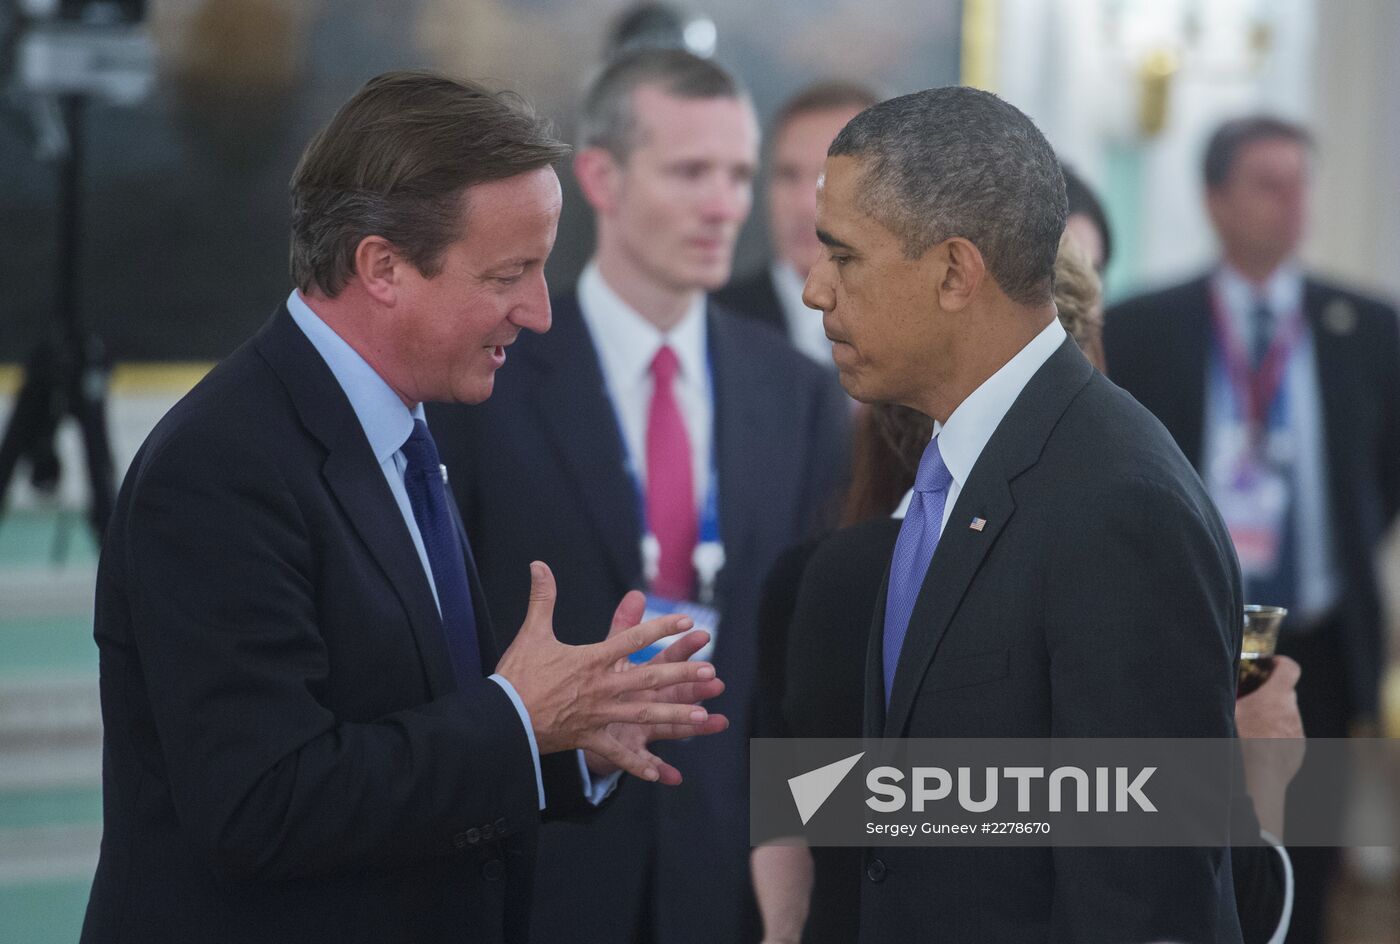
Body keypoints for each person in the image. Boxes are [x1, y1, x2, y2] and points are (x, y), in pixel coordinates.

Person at [80, 71, 732, 944]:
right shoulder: (219, 468)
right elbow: (263, 805)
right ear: (381, 266)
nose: (538, 313)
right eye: (510, 274)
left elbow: (405, 732)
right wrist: (515, 720)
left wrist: (562, 743)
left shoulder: (405, 429)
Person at [753, 234, 1300, 944]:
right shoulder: (1116, 539)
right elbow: (1190, 898)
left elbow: (791, 844)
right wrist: (1257, 777)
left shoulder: (813, 579)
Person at [799, 86, 1244, 943]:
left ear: (956, 273)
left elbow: (1144, 900)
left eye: (844, 256)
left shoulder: (1121, 509)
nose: (816, 289)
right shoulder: (967, 468)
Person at [428, 49, 851, 944]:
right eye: (691, 171)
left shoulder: (798, 394)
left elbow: (801, 665)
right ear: (601, 177)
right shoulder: (488, 380)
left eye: (738, 174)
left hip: (732, 870)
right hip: (538, 866)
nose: (723, 204)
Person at [1104, 114, 1400, 944]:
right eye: (1269, 184)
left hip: (1320, 647)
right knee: (1178, 860)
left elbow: (1378, 482)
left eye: (1302, 183)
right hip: (1179, 642)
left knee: (1305, 870)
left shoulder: (1369, 327)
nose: (1293, 204)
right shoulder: (1142, 329)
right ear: (1215, 200)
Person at [717, 81, 879, 365]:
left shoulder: (927, 328)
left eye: (829, 177)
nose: (805, 204)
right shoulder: (714, 323)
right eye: (788, 175)